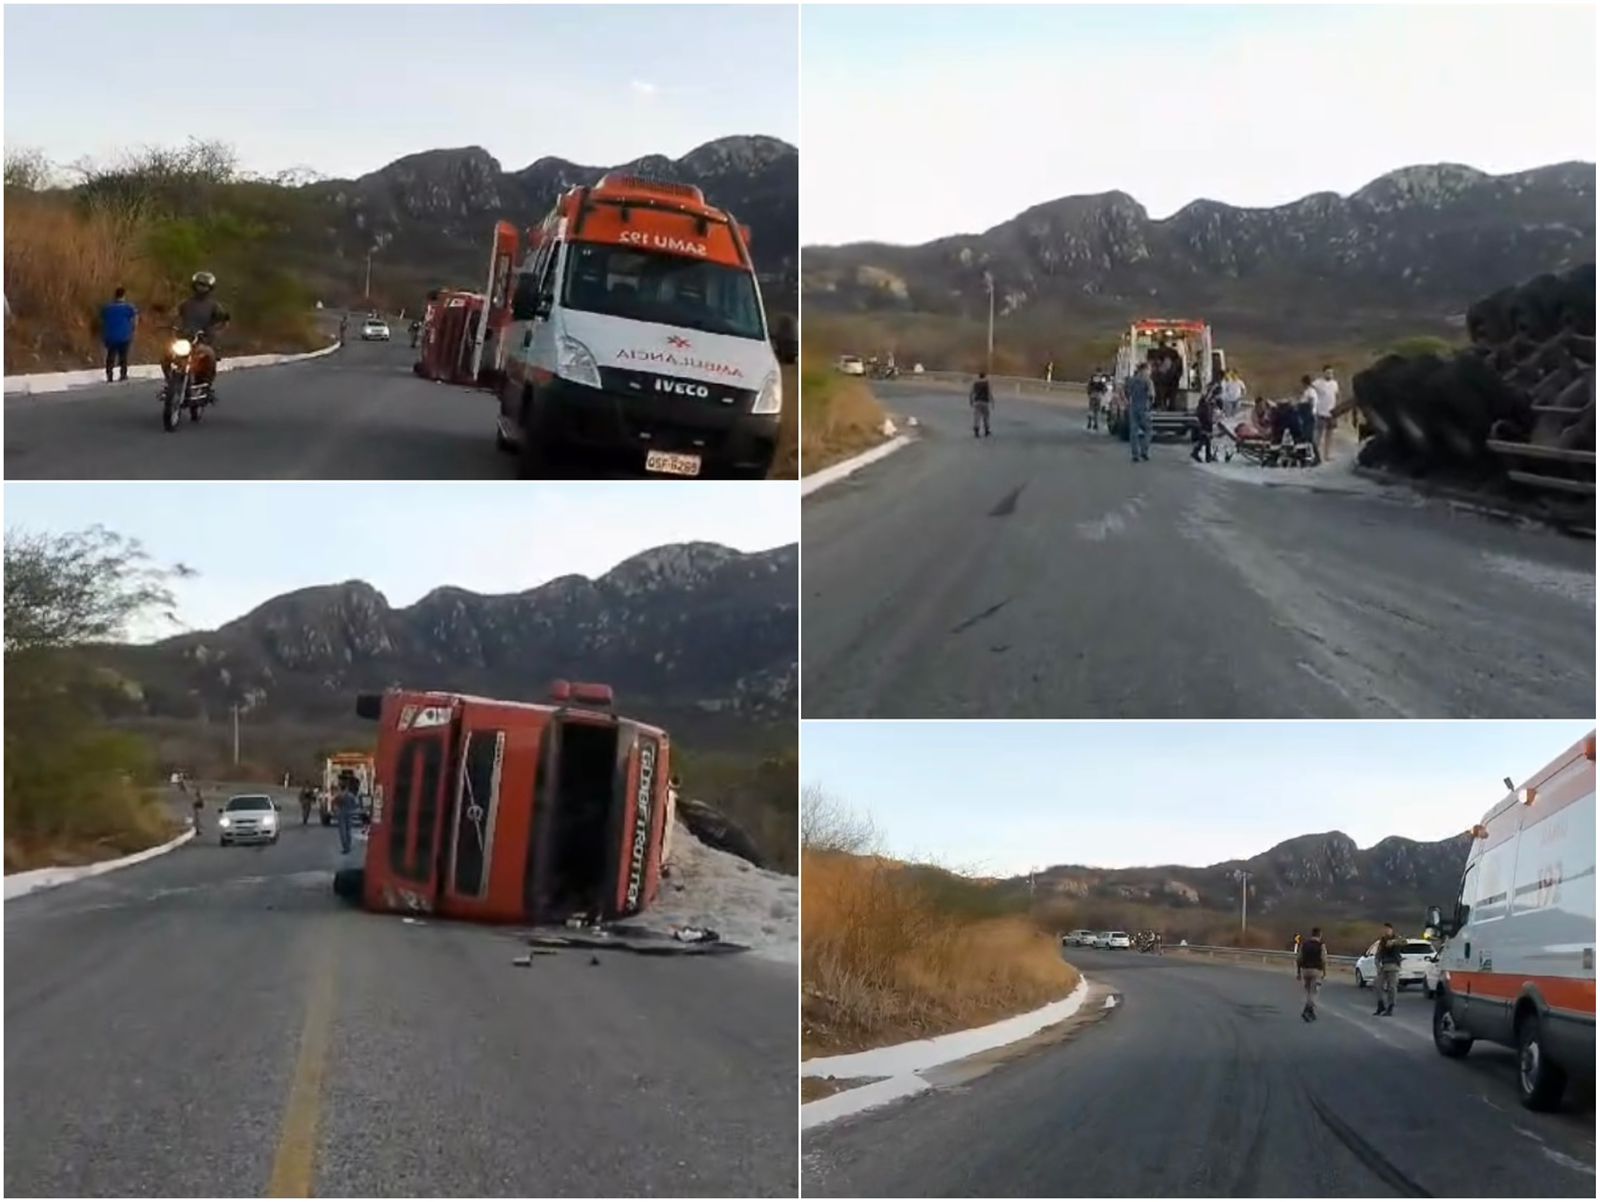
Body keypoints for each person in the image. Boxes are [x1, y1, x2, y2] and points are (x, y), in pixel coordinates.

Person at [165, 272, 231, 397]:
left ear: (210, 288)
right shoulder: (185, 303)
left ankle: (206, 386)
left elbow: (224, 320)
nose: (201, 288)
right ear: (194, 286)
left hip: (203, 340)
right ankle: (171, 383)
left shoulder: (214, 305)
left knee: (210, 357)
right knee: (166, 355)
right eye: (199, 285)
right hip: (184, 339)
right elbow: (173, 314)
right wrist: (170, 325)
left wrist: (217, 331)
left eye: (204, 286)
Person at [100, 286, 138, 383]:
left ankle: (109, 375)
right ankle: (123, 374)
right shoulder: (128, 307)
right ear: (124, 296)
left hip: (110, 336)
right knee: (123, 357)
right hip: (124, 336)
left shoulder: (107, 308)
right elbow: (135, 320)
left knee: (110, 356)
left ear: (114, 295)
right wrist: (132, 329)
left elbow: (102, 319)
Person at [1373, 922, 1404, 1016]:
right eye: (1385, 929)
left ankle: (1390, 1006)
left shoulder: (1396, 938)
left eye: (1388, 929)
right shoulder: (1382, 940)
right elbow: (1379, 953)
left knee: (1392, 987)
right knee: (1378, 985)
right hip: (1384, 965)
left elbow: (1404, 942)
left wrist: (1393, 942)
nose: (1386, 931)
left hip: (1393, 965)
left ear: (1391, 930)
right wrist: (1377, 964)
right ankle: (1380, 1004)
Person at [1297, 926, 1328, 1021]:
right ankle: (1308, 1010)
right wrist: (1324, 971)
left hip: (1305, 970)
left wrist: (1298, 972)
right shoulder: (1321, 945)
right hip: (1316, 970)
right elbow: (1324, 960)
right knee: (1314, 992)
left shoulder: (1304, 944)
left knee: (1308, 990)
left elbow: (1299, 958)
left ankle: (1310, 1011)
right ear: (1320, 934)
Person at [1126, 362, 1153, 462]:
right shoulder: (1148, 381)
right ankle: (1144, 451)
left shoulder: (1132, 380)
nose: (1150, 371)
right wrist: (1150, 405)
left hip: (1133, 407)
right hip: (1144, 408)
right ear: (1145, 369)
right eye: (1149, 369)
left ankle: (1135, 454)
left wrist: (1128, 402)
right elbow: (1151, 395)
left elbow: (1127, 392)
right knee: (1148, 430)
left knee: (1133, 431)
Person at [1311, 365, 1339, 462]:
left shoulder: (1335, 383)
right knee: (1318, 434)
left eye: (1331, 373)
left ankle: (1327, 455)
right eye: (1327, 372)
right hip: (1321, 412)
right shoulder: (1318, 383)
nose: (1329, 374)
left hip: (1332, 412)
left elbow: (1336, 395)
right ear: (1323, 373)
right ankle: (1314, 454)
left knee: (1329, 435)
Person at [1192, 383, 1216, 463]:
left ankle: (1207, 455)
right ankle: (1201, 454)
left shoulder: (1208, 397)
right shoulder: (1206, 398)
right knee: (1206, 437)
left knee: (1206, 438)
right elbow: (1206, 403)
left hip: (1205, 417)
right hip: (1205, 418)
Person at [1298, 375, 1320, 463]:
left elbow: (1310, 403)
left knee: (1309, 438)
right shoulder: (1307, 391)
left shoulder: (1310, 392)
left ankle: (1316, 457)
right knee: (1306, 438)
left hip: (1308, 416)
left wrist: (1307, 413)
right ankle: (1306, 456)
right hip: (1306, 415)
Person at [335, 774, 359, 855]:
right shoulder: (351, 795)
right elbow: (355, 804)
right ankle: (348, 846)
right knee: (348, 830)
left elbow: (336, 803)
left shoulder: (339, 795)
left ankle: (345, 847)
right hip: (349, 813)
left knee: (343, 831)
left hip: (341, 813)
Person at [970, 371, 994, 438]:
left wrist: (971, 401)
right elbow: (989, 393)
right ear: (985, 376)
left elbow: (971, 393)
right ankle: (986, 431)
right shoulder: (987, 383)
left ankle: (976, 431)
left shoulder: (975, 383)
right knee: (986, 417)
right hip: (985, 402)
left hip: (977, 401)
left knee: (976, 417)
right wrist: (992, 402)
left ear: (979, 376)